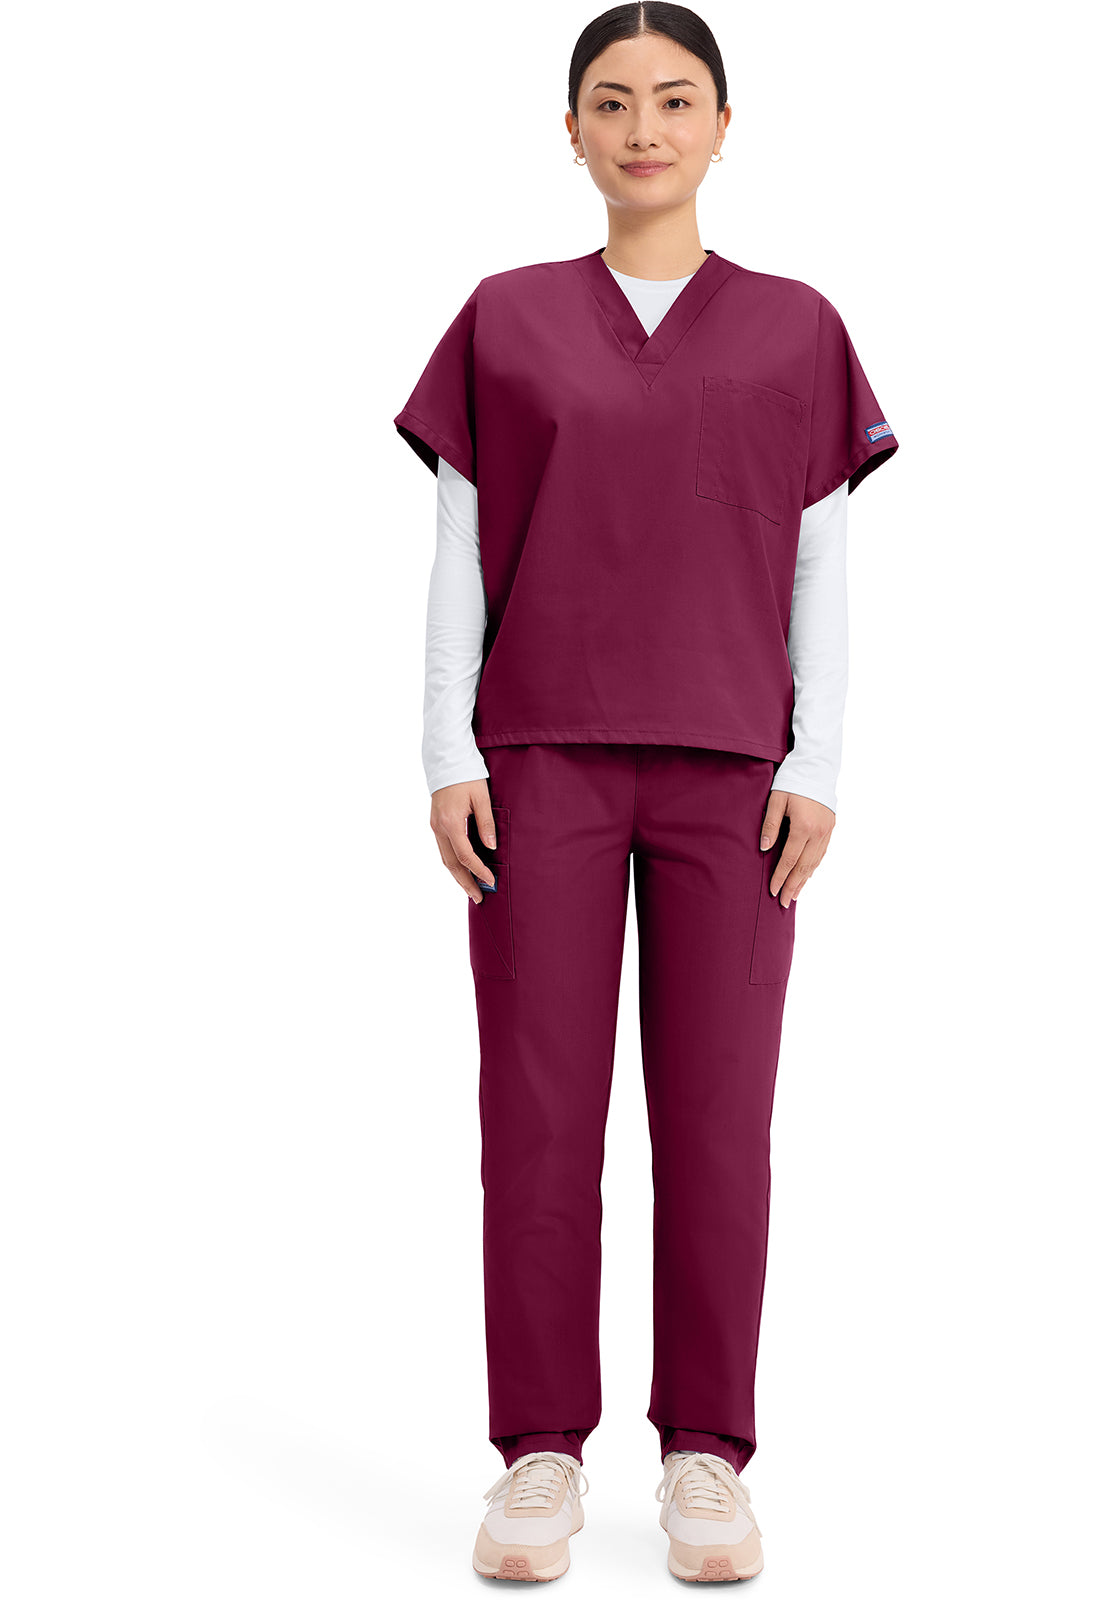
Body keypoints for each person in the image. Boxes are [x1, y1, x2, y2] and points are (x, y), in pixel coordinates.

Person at [393, 3, 899, 1583]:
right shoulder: (505, 320)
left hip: (734, 770)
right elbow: (459, 547)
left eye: (676, 101)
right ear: (571, 134)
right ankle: (539, 1455)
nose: (643, 130)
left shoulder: (797, 329)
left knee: (720, 1122)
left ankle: (705, 1459)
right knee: (538, 1114)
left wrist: (819, 763)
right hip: (537, 759)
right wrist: (447, 750)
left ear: (724, 127)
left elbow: (819, 558)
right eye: (610, 103)